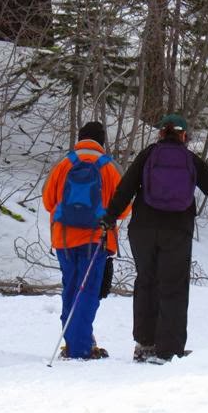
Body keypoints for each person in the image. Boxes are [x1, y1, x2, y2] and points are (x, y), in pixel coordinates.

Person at [101, 113, 208, 365]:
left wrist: (109, 217)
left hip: (143, 229)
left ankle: (144, 344)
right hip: (177, 230)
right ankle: (169, 350)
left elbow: (125, 188)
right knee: (173, 287)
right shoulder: (190, 159)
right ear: (184, 136)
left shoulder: (147, 156)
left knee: (146, 282)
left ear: (161, 133)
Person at [42, 121, 130, 360]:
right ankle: (80, 347)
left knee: (70, 289)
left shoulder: (64, 164)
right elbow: (123, 208)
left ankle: (73, 341)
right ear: (102, 141)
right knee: (88, 292)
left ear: (80, 138)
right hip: (96, 239)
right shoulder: (109, 167)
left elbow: (48, 201)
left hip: (64, 239)